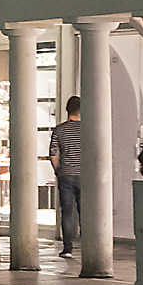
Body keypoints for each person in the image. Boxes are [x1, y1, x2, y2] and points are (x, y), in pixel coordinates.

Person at [49, 95, 84, 259]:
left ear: (67, 110)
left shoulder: (59, 130)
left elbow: (53, 153)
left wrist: (58, 170)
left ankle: (68, 248)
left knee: (67, 212)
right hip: (84, 175)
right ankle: (89, 245)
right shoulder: (88, 129)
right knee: (85, 212)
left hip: (66, 175)